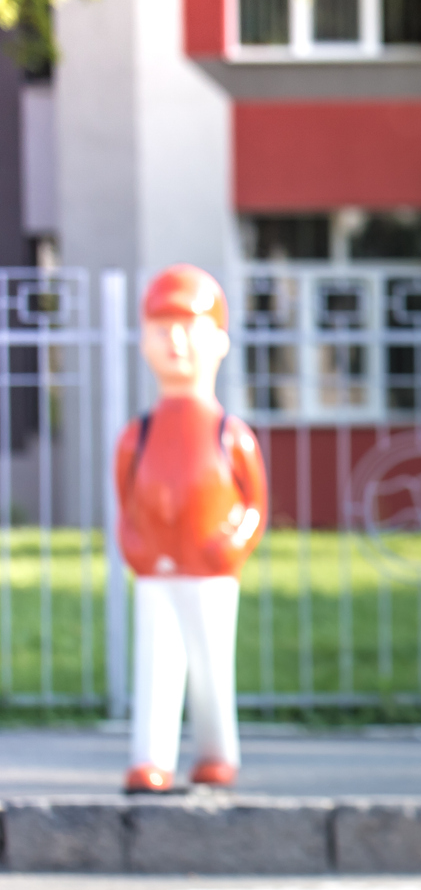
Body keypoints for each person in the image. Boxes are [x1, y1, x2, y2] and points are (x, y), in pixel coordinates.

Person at [114, 265, 267, 795]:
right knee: (155, 662)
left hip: (210, 570)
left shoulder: (231, 434)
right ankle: (150, 758)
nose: (175, 342)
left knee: (210, 666)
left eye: (188, 328)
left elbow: (254, 504)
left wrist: (233, 543)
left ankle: (216, 753)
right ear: (144, 343)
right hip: (157, 570)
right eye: (162, 329)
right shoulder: (140, 434)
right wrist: (137, 547)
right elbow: (126, 501)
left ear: (219, 341)